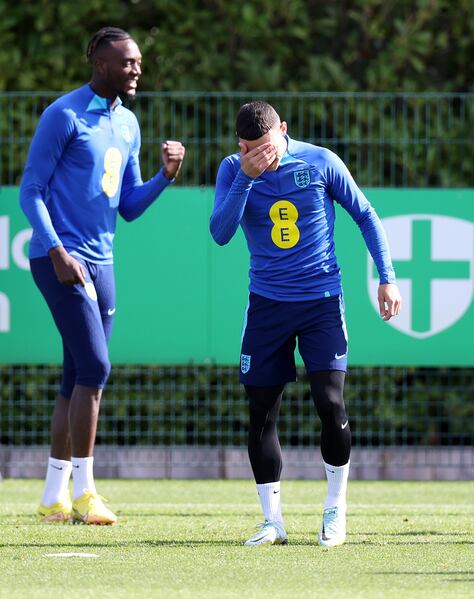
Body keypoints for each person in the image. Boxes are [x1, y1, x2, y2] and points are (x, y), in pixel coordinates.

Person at [210, 101, 401, 547]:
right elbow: (220, 233)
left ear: (285, 130)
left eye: (269, 145)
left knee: (330, 402)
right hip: (267, 305)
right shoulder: (233, 169)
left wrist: (387, 278)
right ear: (241, 146)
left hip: (320, 303)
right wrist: (245, 175)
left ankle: (335, 509)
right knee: (261, 411)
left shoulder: (320, 161)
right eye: (252, 149)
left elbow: (366, 215)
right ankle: (271, 521)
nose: (264, 155)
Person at [19, 27, 185, 525]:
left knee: (77, 377)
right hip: (60, 261)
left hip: (103, 263)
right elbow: (31, 191)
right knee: (96, 368)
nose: (136, 69)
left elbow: (128, 206)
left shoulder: (128, 124)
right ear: (100, 65)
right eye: (126, 62)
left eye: (138, 62)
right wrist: (56, 251)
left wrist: (165, 178)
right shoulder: (63, 114)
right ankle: (87, 491)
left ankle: (53, 495)